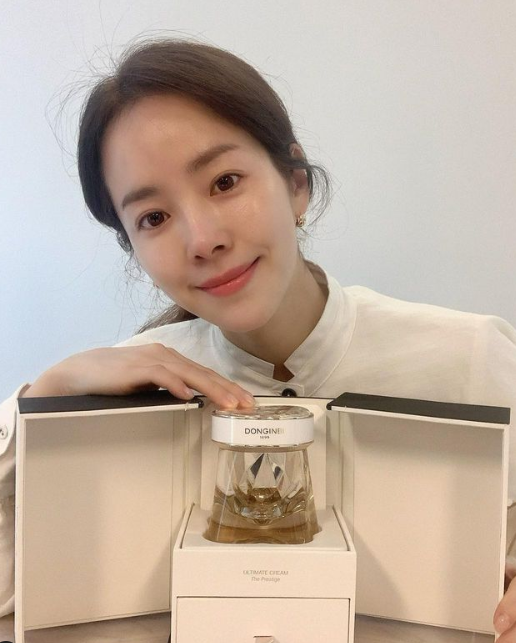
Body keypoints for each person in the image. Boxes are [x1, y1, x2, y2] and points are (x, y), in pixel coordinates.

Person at [1, 38, 516, 637]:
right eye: (154, 218)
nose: (202, 239)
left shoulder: (469, 358)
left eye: (224, 182)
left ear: (296, 183)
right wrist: (42, 402)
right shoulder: (114, 396)